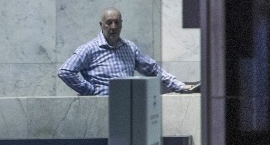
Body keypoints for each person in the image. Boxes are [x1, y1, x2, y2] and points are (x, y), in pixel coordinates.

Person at [58, 8, 197, 97]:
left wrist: (180, 86)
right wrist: (90, 90)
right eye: (109, 23)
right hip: (101, 109)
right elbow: (65, 71)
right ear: (101, 25)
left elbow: (153, 69)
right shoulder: (89, 48)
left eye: (117, 22)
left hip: (128, 106)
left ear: (121, 24)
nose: (113, 27)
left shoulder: (129, 47)